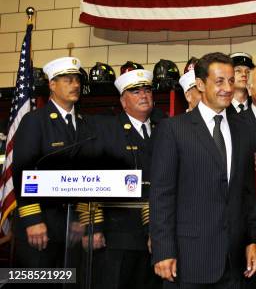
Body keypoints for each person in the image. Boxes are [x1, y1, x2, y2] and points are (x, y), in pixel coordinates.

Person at [150, 52, 256, 288]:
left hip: (234, 262)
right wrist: (163, 250)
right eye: (219, 81)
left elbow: (247, 191)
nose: (227, 88)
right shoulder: (173, 129)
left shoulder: (243, 129)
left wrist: (252, 240)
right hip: (188, 259)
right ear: (200, 84)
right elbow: (162, 195)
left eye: (231, 81)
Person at [81, 66, 163, 289]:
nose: (144, 95)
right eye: (136, 92)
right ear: (123, 102)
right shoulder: (107, 129)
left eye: (147, 90)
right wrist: (92, 226)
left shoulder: (164, 129)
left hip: (156, 233)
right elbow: (92, 177)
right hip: (117, 234)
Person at [13, 56, 97, 269]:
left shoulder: (85, 126)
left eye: (77, 80)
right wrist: (33, 220)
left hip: (71, 229)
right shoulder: (35, 120)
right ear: (52, 84)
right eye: (68, 80)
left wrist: (83, 220)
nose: (76, 85)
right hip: (41, 227)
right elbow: (23, 172)